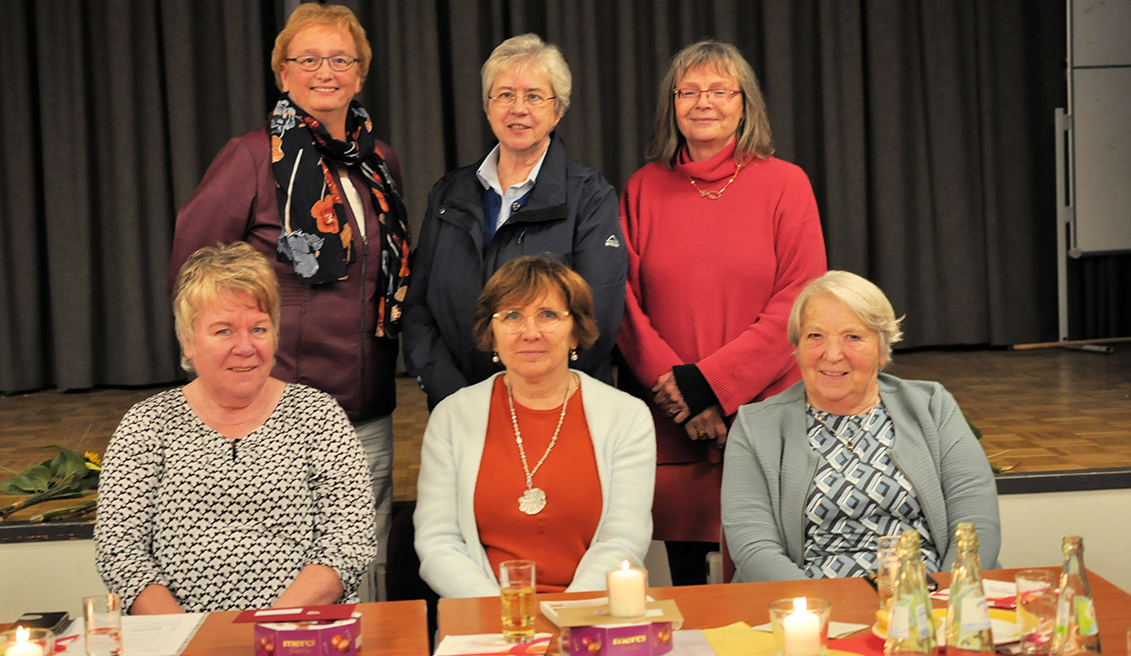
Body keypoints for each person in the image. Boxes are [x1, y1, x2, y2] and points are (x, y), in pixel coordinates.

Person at [168, 4, 407, 562]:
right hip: (277, 410)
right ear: (283, 74)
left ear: (360, 73)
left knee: (361, 562)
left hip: (366, 407)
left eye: (341, 59)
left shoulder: (379, 161)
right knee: (286, 563)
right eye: (309, 59)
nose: (326, 71)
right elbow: (193, 273)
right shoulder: (251, 156)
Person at [617, 41, 827, 584]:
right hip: (676, 420)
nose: (703, 102)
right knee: (688, 589)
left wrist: (711, 385)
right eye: (688, 91)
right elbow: (624, 305)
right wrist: (685, 397)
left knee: (768, 583)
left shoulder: (787, 184)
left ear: (744, 103)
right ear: (672, 104)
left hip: (764, 415)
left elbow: (800, 300)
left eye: (719, 90)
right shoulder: (642, 189)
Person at [96, 243, 376, 613]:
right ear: (187, 341)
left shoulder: (318, 416)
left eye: (258, 328)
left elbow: (350, 540)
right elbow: (119, 550)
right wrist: (192, 640)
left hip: (300, 634)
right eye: (224, 331)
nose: (245, 347)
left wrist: (264, 631)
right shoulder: (147, 424)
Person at [722, 271, 1001, 582]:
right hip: (809, 607)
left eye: (853, 337)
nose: (832, 354)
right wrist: (821, 610)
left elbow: (975, 521)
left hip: (929, 598)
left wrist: (951, 598)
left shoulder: (931, 406)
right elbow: (753, 547)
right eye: (815, 336)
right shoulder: (756, 426)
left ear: (882, 351)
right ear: (796, 348)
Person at [404, 34, 625, 410]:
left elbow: (595, 318)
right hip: (459, 412)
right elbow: (418, 308)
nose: (518, 108)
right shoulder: (448, 194)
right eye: (505, 95)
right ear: (488, 107)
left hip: (557, 410)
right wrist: (459, 399)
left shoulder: (590, 196)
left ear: (559, 110)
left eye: (534, 96)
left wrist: (527, 398)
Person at [414, 256, 654, 598]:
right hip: (485, 617)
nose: (530, 332)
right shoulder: (453, 416)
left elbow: (624, 540)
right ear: (491, 333)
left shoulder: (626, 417)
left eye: (548, 315)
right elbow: (438, 542)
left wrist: (567, 617)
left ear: (575, 333)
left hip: (591, 615)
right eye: (512, 316)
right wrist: (505, 615)